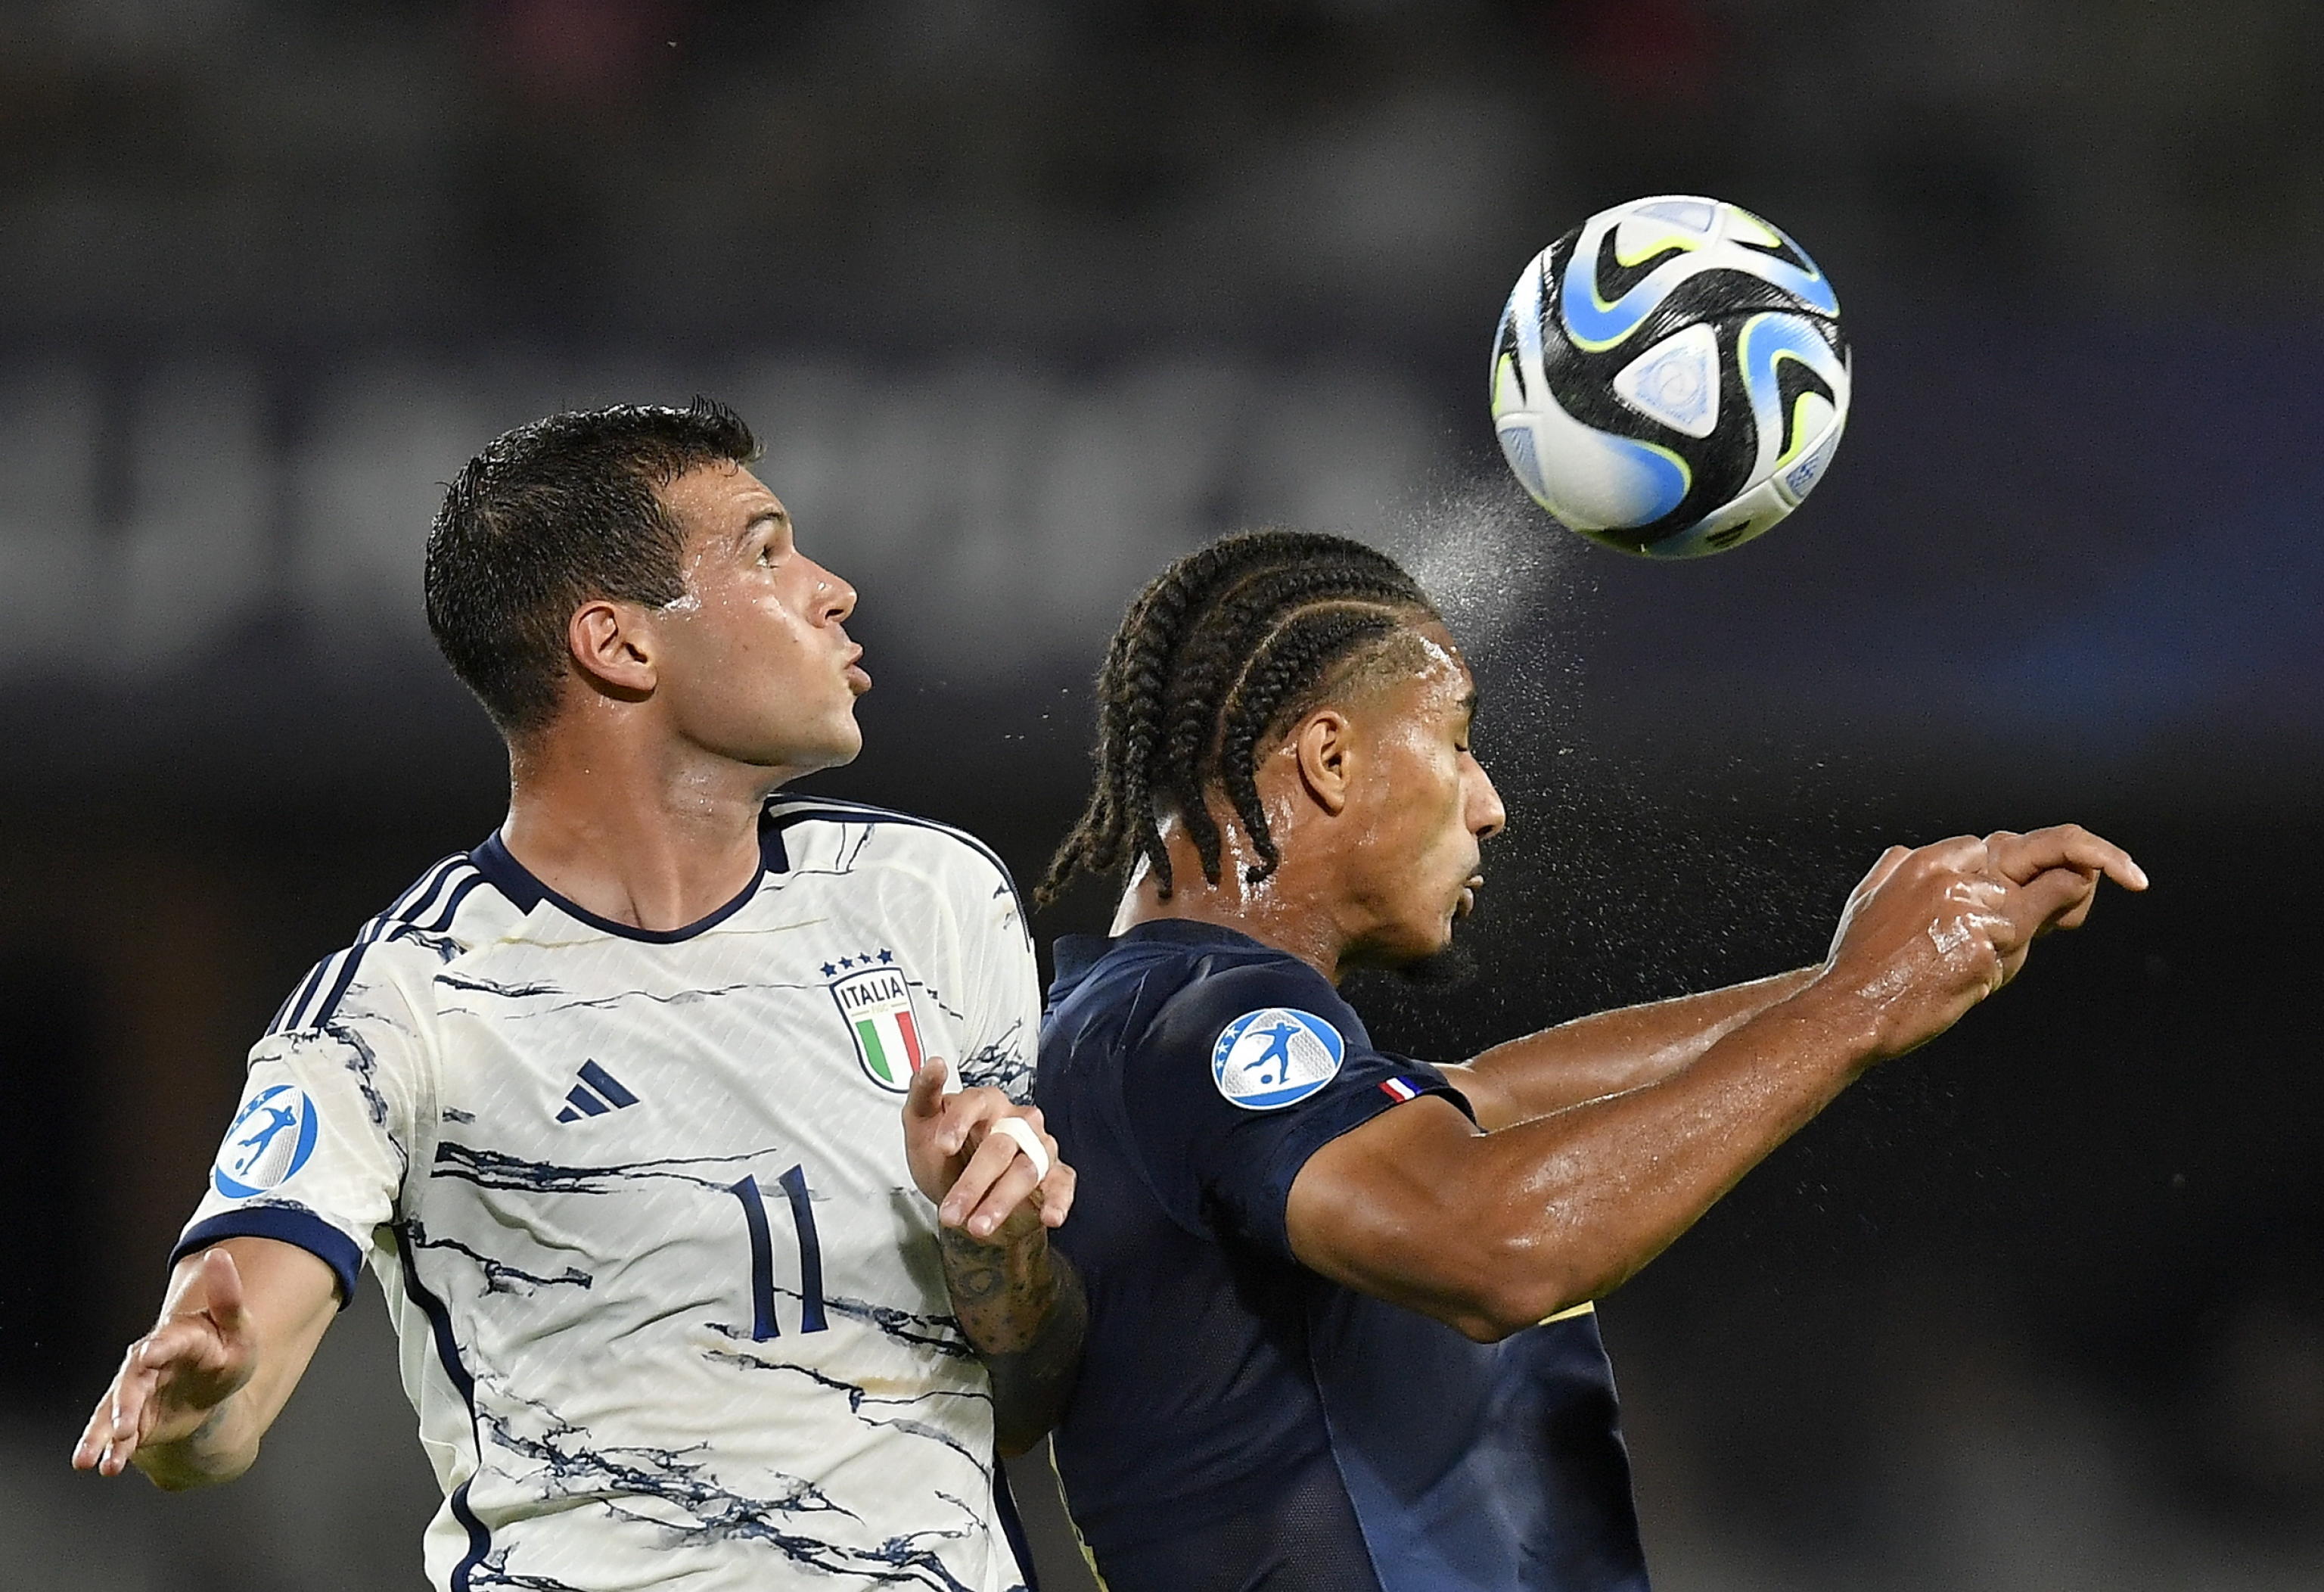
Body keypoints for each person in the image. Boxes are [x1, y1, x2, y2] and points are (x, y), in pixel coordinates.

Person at [72, 400, 1085, 1592]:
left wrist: (1000, 1253)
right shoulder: (401, 1009)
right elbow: (221, 1413)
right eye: (766, 551)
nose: (832, 589)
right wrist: (197, 1400)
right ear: (620, 645)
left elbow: (1030, 1392)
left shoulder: (930, 899)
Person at [1031, 529, 2145, 1591]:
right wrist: (1863, 1001)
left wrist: (1898, 963)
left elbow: (1494, 1097)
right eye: (1459, 741)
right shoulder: (1211, 1019)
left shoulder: (1136, 1019)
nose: (1489, 803)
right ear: (1330, 757)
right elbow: (1496, 1242)